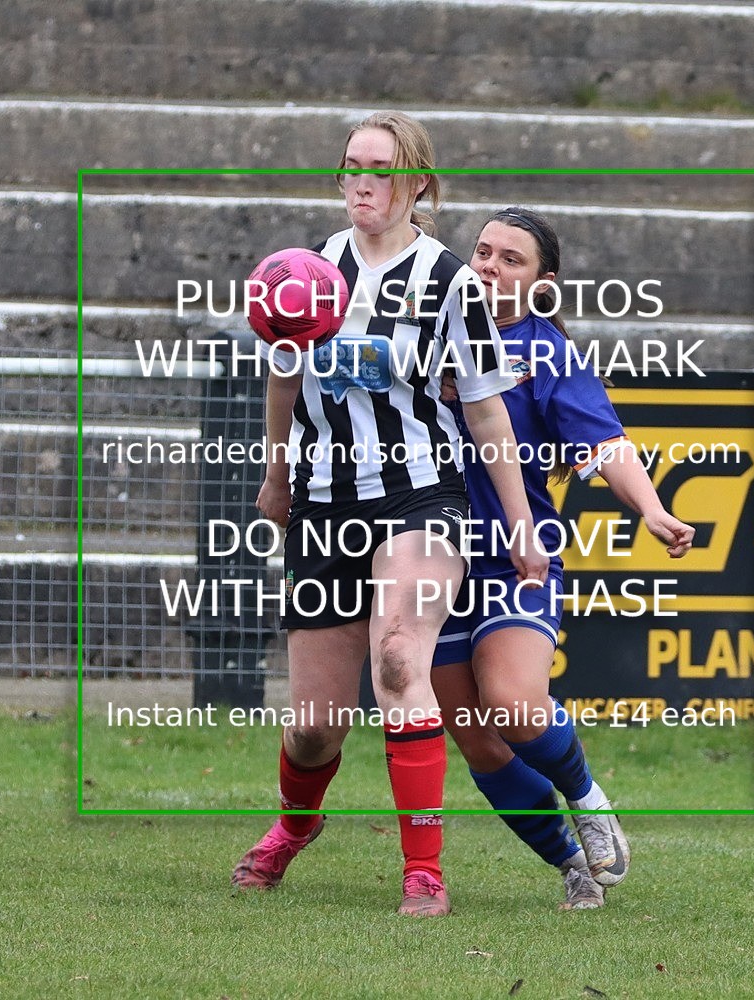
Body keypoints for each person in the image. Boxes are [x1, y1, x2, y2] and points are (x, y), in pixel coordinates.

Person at [231, 116, 549, 916]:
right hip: (325, 502)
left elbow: (485, 412)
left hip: (420, 495)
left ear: (418, 183)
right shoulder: (305, 270)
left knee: (402, 661)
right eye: (350, 167)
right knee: (315, 726)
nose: (361, 183)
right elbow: (283, 381)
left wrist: (518, 524)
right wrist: (277, 475)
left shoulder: (450, 282)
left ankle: (423, 871)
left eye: (379, 168)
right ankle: (295, 824)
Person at [431, 207, 695, 909]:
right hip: (424, 560)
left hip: (513, 559)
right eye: (482, 252)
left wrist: (652, 509)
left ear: (542, 283)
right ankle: (573, 864)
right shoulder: (426, 331)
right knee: (480, 743)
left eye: (510, 259)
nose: (489, 267)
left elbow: (604, 445)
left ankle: (586, 795)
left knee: (513, 704)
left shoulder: (544, 354)